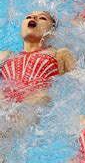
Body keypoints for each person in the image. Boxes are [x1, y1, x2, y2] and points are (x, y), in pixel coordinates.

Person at [0, 11, 75, 159]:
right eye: (28, 16)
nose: (33, 18)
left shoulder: (59, 53)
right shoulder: (5, 55)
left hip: (33, 101)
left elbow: (78, 81)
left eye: (42, 18)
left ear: (51, 32)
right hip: (5, 100)